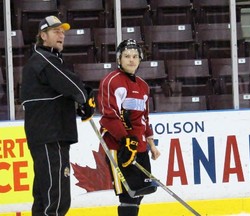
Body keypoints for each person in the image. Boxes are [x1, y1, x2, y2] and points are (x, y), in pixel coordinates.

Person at [20, 15, 95, 216]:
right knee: (56, 196)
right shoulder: (44, 59)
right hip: (50, 135)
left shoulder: (46, 60)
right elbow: (71, 85)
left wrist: (79, 100)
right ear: (43, 36)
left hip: (50, 135)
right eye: (56, 31)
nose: (62, 35)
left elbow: (64, 88)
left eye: (63, 31)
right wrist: (84, 98)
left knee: (45, 195)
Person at [97, 39, 161, 216]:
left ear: (140, 59)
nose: (131, 60)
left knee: (141, 191)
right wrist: (125, 140)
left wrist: (152, 144)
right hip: (119, 146)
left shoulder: (143, 85)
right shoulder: (112, 81)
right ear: (119, 59)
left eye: (135, 56)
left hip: (139, 145)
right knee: (128, 194)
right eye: (126, 56)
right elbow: (109, 115)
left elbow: (144, 118)